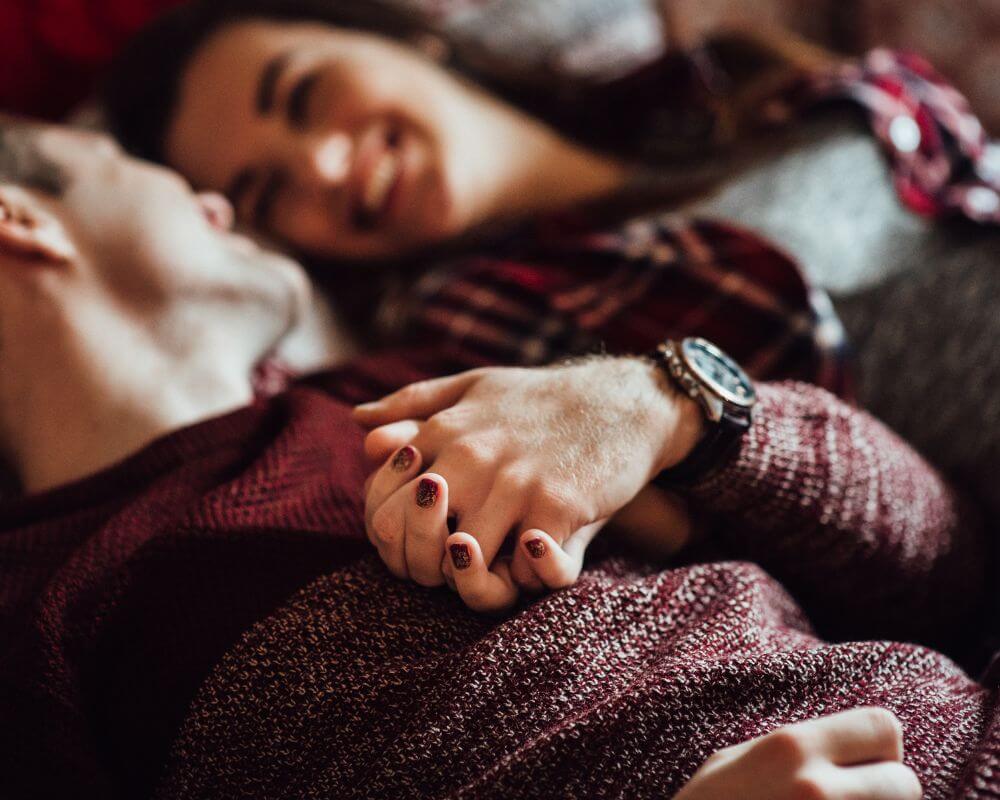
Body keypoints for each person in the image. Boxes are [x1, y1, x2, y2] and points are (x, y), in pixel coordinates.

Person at [0, 116, 990, 799]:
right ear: (20, 215)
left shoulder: (428, 381)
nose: (217, 203)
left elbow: (946, 565)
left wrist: (668, 404)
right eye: (136, 167)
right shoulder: (35, 623)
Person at [103, 0, 1000, 603]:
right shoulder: (482, 352)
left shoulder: (717, 93)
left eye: (302, 96)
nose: (327, 170)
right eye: (267, 194)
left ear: (410, 37)